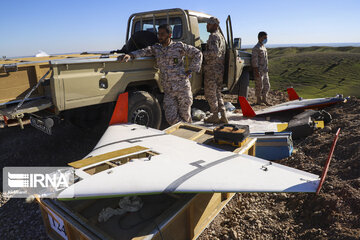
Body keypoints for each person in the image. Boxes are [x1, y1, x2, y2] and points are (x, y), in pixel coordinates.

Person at [122, 24, 202, 125]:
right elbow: (144, 51)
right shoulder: (156, 49)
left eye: (162, 34)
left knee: (185, 116)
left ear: (169, 35)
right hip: (168, 91)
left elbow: (198, 53)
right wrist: (131, 54)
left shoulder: (179, 46)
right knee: (170, 118)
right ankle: (183, 128)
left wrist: (191, 70)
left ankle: (184, 134)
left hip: (182, 88)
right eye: (158, 34)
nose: (159, 36)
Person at [203, 17, 228, 124]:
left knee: (210, 93)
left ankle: (215, 116)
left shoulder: (213, 37)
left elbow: (213, 53)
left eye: (209, 24)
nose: (207, 26)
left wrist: (201, 53)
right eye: (207, 23)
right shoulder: (221, 37)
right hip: (219, 70)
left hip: (212, 70)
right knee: (217, 93)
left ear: (215, 26)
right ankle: (223, 115)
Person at [252, 31, 270, 105]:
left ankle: (264, 99)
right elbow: (254, 61)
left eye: (266, 38)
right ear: (259, 38)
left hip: (265, 70)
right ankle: (258, 100)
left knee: (267, 85)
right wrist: (256, 71)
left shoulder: (263, 47)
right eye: (264, 38)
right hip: (259, 70)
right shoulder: (256, 48)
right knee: (259, 86)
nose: (266, 39)